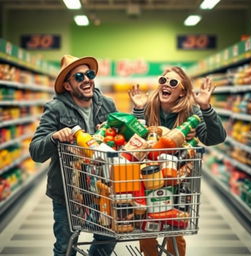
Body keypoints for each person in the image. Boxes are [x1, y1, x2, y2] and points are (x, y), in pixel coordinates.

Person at [128, 66, 226, 256]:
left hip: (179, 181)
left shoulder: (192, 112)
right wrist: (139, 110)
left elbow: (215, 138)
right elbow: (133, 140)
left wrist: (206, 108)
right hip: (149, 179)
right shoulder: (148, 107)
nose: (166, 85)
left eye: (173, 83)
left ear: (182, 91)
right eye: (163, 81)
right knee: (145, 228)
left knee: (175, 229)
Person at [29, 55, 118, 256]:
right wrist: (54, 137)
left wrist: (113, 133)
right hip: (68, 191)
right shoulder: (56, 108)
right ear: (68, 86)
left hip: (102, 189)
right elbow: (36, 151)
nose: (86, 79)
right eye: (79, 77)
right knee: (65, 246)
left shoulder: (107, 104)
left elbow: (123, 140)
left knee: (109, 237)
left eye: (90, 74)